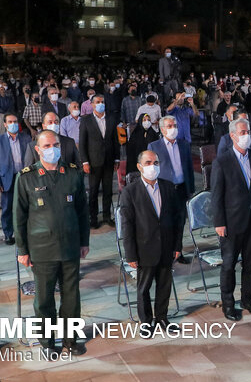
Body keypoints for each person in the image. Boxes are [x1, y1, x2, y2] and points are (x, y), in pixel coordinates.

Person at [14, 130, 90, 359]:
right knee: (44, 300)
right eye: (47, 145)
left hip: (69, 246)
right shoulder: (27, 177)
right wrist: (22, 250)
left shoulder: (73, 174)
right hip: (42, 248)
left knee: (71, 297)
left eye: (55, 144)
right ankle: (47, 343)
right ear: (37, 149)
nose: (52, 148)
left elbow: (82, 211)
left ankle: (70, 340)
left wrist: (84, 241)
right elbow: (19, 217)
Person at [211, 118, 251, 321]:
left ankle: (248, 300)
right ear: (233, 136)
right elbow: (216, 195)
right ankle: (228, 304)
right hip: (231, 221)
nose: (247, 136)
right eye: (243, 132)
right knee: (229, 264)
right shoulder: (222, 161)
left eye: (248, 131)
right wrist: (219, 222)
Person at [120, 150, 182, 331]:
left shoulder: (169, 187)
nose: (152, 167)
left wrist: (177, 245)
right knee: (144, 288)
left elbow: (178, 219)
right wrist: (130, 254)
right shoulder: (130, 192)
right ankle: (146, 322)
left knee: (164, 285)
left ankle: (162, 317)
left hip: (166, 246)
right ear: (139, 167)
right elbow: (127, 225)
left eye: (155, 163)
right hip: (144, 248)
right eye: (148, 163)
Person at [79, 94, 120, 229]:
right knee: (94, 192)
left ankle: (107, 216)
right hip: (93, 162)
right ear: (92, 105)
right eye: (97, 102)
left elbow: (115, 140)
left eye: (102, 102)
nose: (100, 104)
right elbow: (83, 143)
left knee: (108, 191)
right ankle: (93, 218)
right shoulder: (86, 120)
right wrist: (84, 162)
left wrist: (117, 158)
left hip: (109, 161)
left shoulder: (111, 118)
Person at [148, 116, 195, 234]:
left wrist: (191, 189)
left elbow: (189, 167)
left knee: (181, 221)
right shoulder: (154, 146)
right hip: (165, 190)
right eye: (169, 126)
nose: (173, 129)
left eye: (175, 126)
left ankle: (178, 250)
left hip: (182, 188)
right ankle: (169, 249)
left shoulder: (184, 144)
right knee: (167, 222)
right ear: (163, 129)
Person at [0, 113, 31, 245]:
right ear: (5, 124)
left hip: (23, 177)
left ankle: (25, 232)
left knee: (25, 205)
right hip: (6, 179)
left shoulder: (25, 138)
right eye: (10, 122)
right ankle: (8, 234)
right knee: (7, 208)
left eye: (15, 121)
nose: (13, 124)